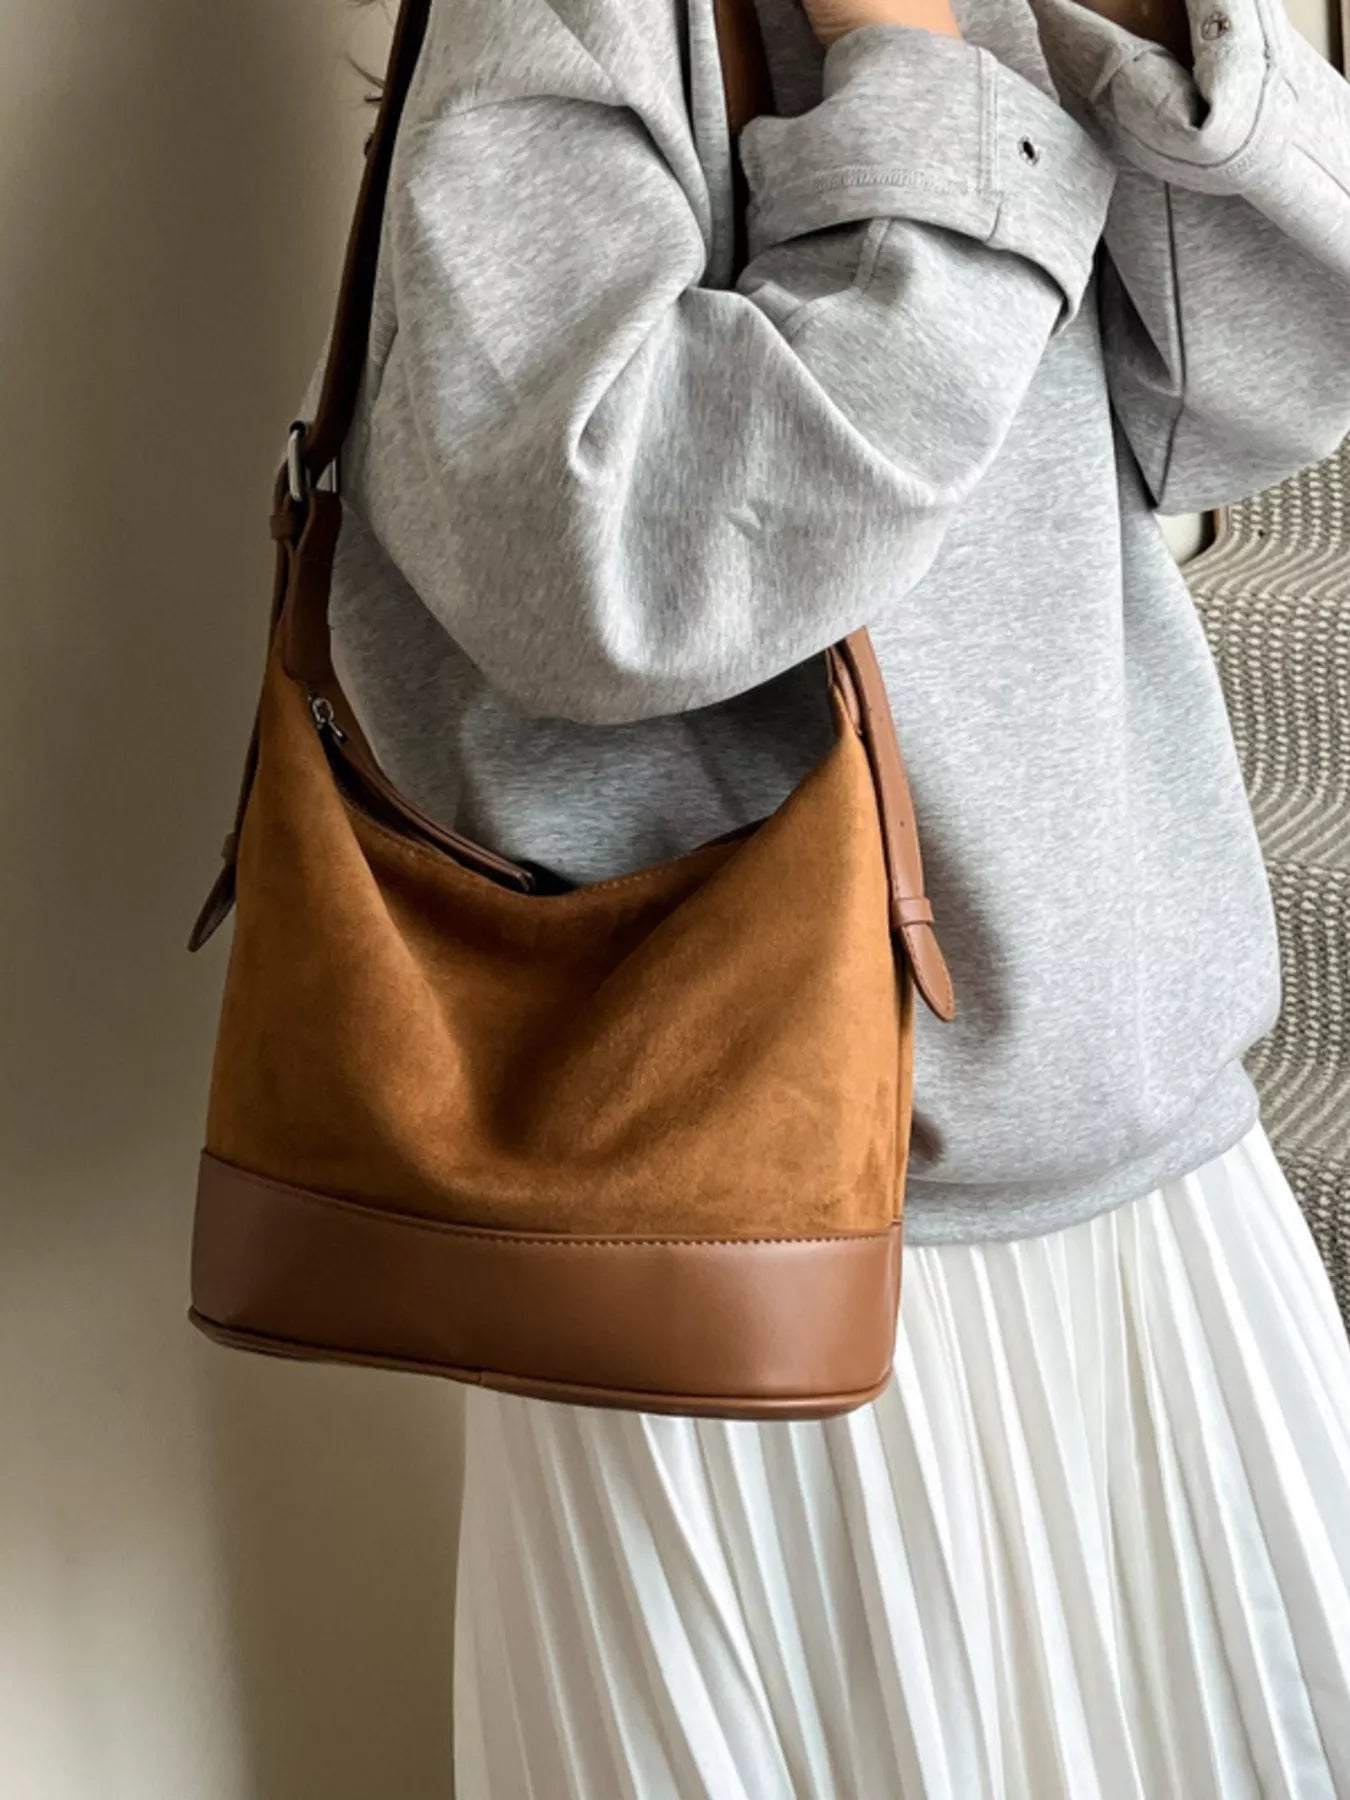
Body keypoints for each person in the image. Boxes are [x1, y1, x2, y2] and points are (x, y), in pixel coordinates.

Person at [316, 0, 1350, 1790]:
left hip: (1143, 1146)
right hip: (723, 1223)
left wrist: (1171, 45)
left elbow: (1254, 397)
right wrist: (907, 85)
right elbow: (587, 562)